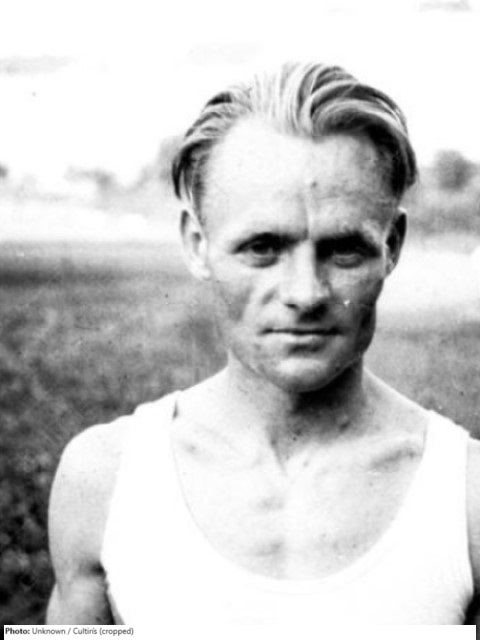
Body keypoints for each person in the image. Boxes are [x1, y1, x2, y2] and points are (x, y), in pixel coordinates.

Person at [46, 61, 480, 626]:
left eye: (344, 249)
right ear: (197, 244)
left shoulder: (466, 498)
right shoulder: (103, 479)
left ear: (392, 245)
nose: (305, 293)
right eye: (262, 247)